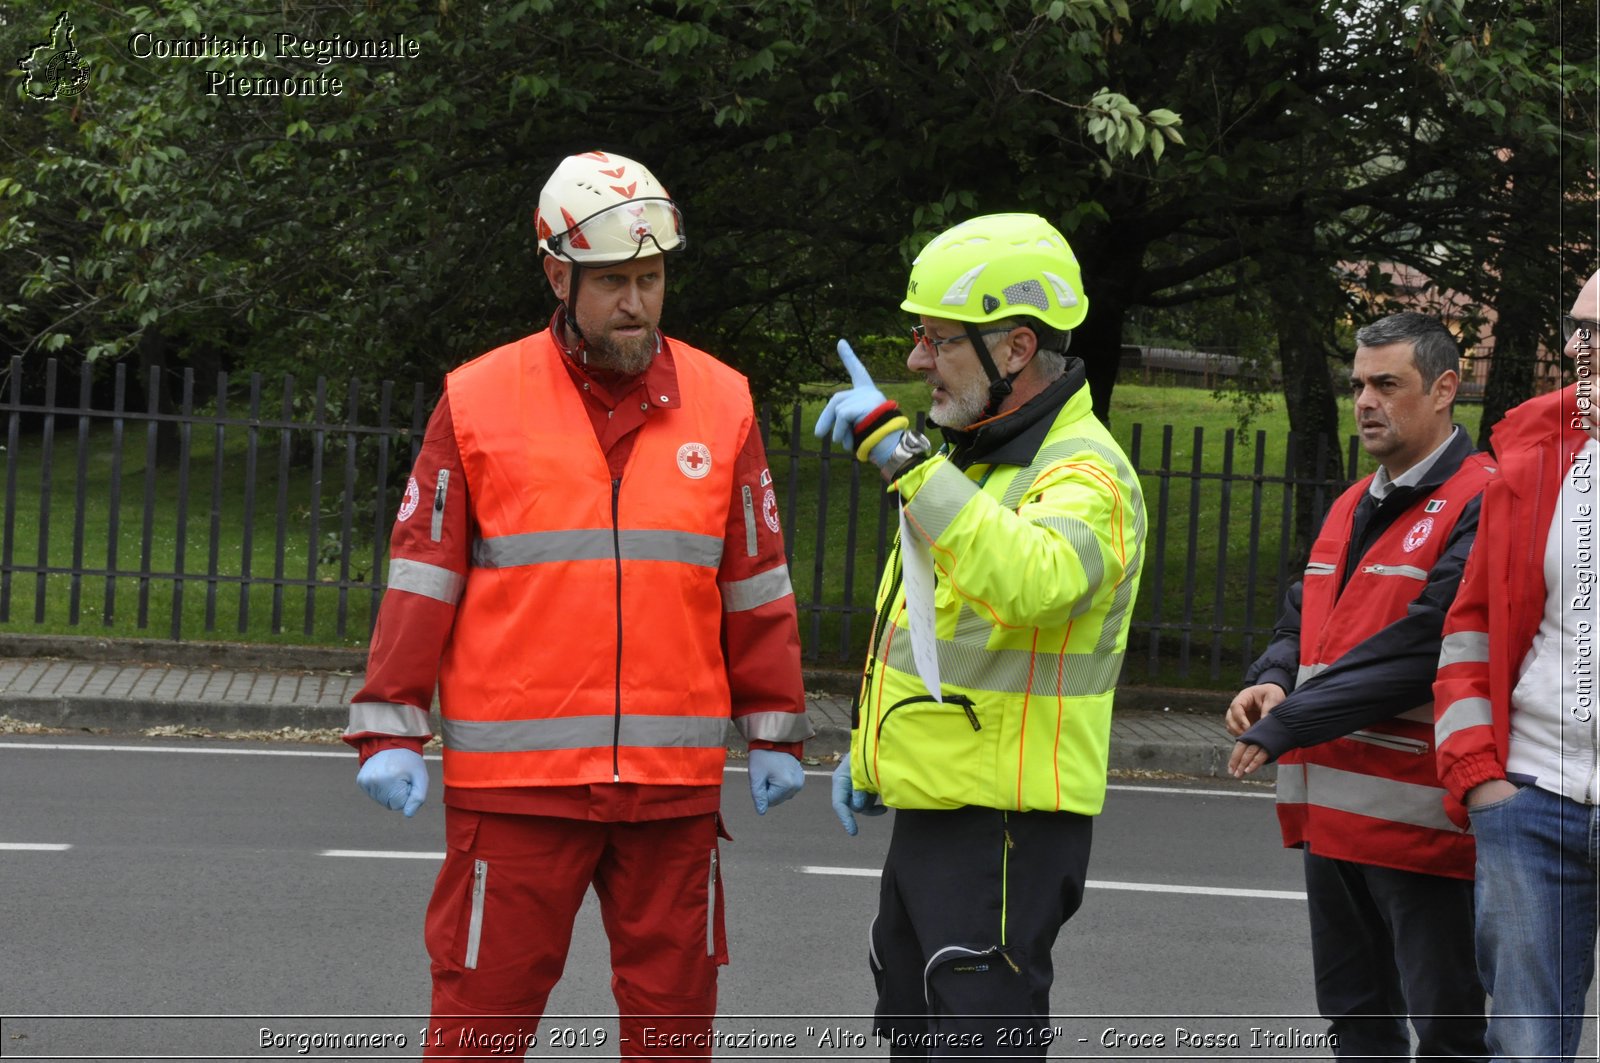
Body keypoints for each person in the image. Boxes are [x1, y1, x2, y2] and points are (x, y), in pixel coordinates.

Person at [342, 150, 813, 1059]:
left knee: (675, 1034)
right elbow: (422, 574)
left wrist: (777, 728)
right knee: (479, 1027)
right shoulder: (477, 400)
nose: (636, 301)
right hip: (519, 793)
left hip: (670, 792)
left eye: (651, 277)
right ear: (559, 275)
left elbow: (755, 581)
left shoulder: (724, 403)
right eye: (612, 283)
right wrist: (391, 726)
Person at [819, 212, 1146, 1058]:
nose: (918, 359)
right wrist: (868, 757)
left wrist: (903, 456)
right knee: (915, 1034)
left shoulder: (1087, 471)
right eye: (917, 336)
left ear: (1016, 348)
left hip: (1006, 820)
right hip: (941, 806)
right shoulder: (977, 461)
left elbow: (1029, 580)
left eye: (937, 339)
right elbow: (919, 635)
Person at [1225, 311, 1492, 1060]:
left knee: (1450, 1034)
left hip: (1424, 823)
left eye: (1387, 384)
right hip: (1335, 817)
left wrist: (1290, 722)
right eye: (1356, 386)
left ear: (1444, 389)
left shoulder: (1482, 499)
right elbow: (1299, 622)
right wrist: (1271, 681)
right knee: (1356, 1021)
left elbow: (1423, 648)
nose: (1366, 401)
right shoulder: (1351, 502)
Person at [1434, 269, 1600, 1062]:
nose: (1577, 347)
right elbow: (1469, 631)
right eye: (1575, 326)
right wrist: (1480, 777)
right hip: (1530, 799)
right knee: (1526, 1049)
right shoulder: (1539, 457)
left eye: (1599, 332)